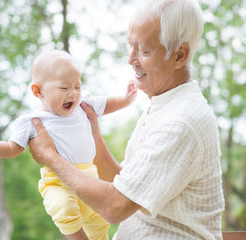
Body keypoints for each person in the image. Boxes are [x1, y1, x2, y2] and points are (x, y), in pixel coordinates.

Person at [27, 0, 225, 239]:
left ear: (179, 55)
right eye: (130, 46)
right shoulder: (165, 106)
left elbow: (115, 206)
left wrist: (51, 158)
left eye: (143, 50)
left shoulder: (180, 121)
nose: (131, 59)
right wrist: (92, 131)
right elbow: (125, 185)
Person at [0, 50, 137, 240]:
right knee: (64, 209)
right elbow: (10, 149)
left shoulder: (83, 103)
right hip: (57, 182)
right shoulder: (32, 121)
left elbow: (107, 104)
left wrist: (126, 99)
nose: (73, 94)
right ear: (38, 91)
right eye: (64, 88)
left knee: (100, 221)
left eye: (77, 86)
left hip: (90, 176)